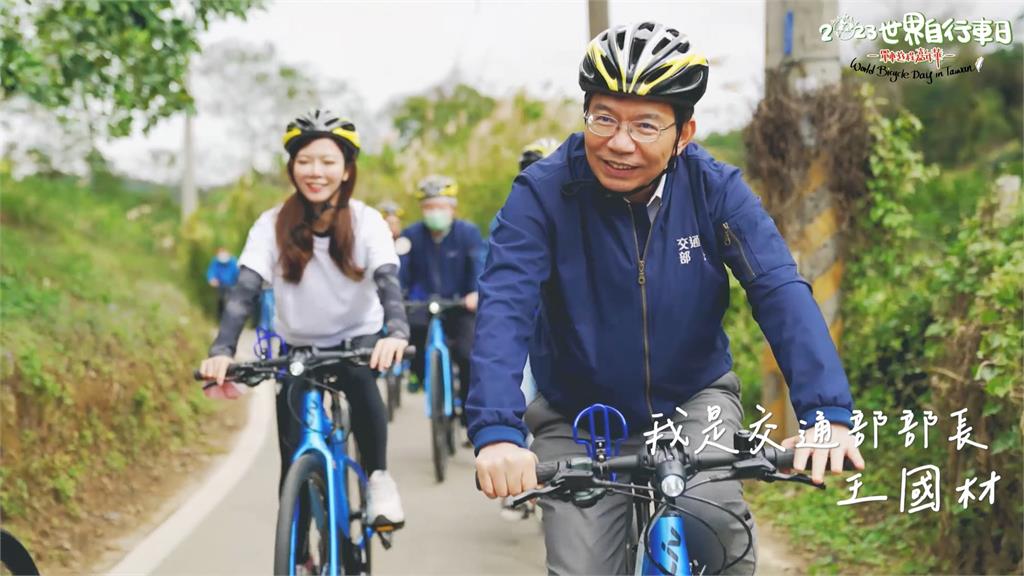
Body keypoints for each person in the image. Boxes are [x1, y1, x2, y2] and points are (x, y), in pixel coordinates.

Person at [469, 21, 865, 574]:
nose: (619, 142)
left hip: (692, 399)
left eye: (646, 125)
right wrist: (497, 432)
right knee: (580, 565)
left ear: (684, 133)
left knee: (718, 524)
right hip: (579, 415)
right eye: (603, 118)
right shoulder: (542, 192)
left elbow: (778, 288)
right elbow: (505, 306)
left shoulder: (715, 189)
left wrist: (825, 412)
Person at [197, 109, 409, 530]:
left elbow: (388, 282)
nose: (316, 172)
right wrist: (222, 350)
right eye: (305, 161)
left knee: (363, 383)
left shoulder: (367, 222)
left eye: (328, 162)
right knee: (290, 464)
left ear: (347, 170)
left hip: (357, 342)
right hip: (298, 347)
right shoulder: (272, 224)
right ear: (292, 167)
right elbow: (244, 292)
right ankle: (299, 548)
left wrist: (397, 332)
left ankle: (379, 480)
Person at [399, 175, 484, 429]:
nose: (434, 211)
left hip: (460, 305)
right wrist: (400, 297)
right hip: (423, 305)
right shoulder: (411, 235)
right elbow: (401, 273)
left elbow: (478, 265)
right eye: (429, 206)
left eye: (440, 206)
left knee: (468, 355)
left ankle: (469, 414)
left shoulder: (467, 233)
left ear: (452, 208)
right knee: (411, 337)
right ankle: (423, 377)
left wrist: (475, 293)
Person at [206, 246, 239, 320]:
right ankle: (221, 319)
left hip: (232, 285)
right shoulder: (215, 261)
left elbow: (237, 273)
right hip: (220, 284)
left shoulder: (233, 261)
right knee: (221, 301)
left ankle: (231, 318)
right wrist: (212, 279)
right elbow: (211, 271)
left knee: (231, 302)